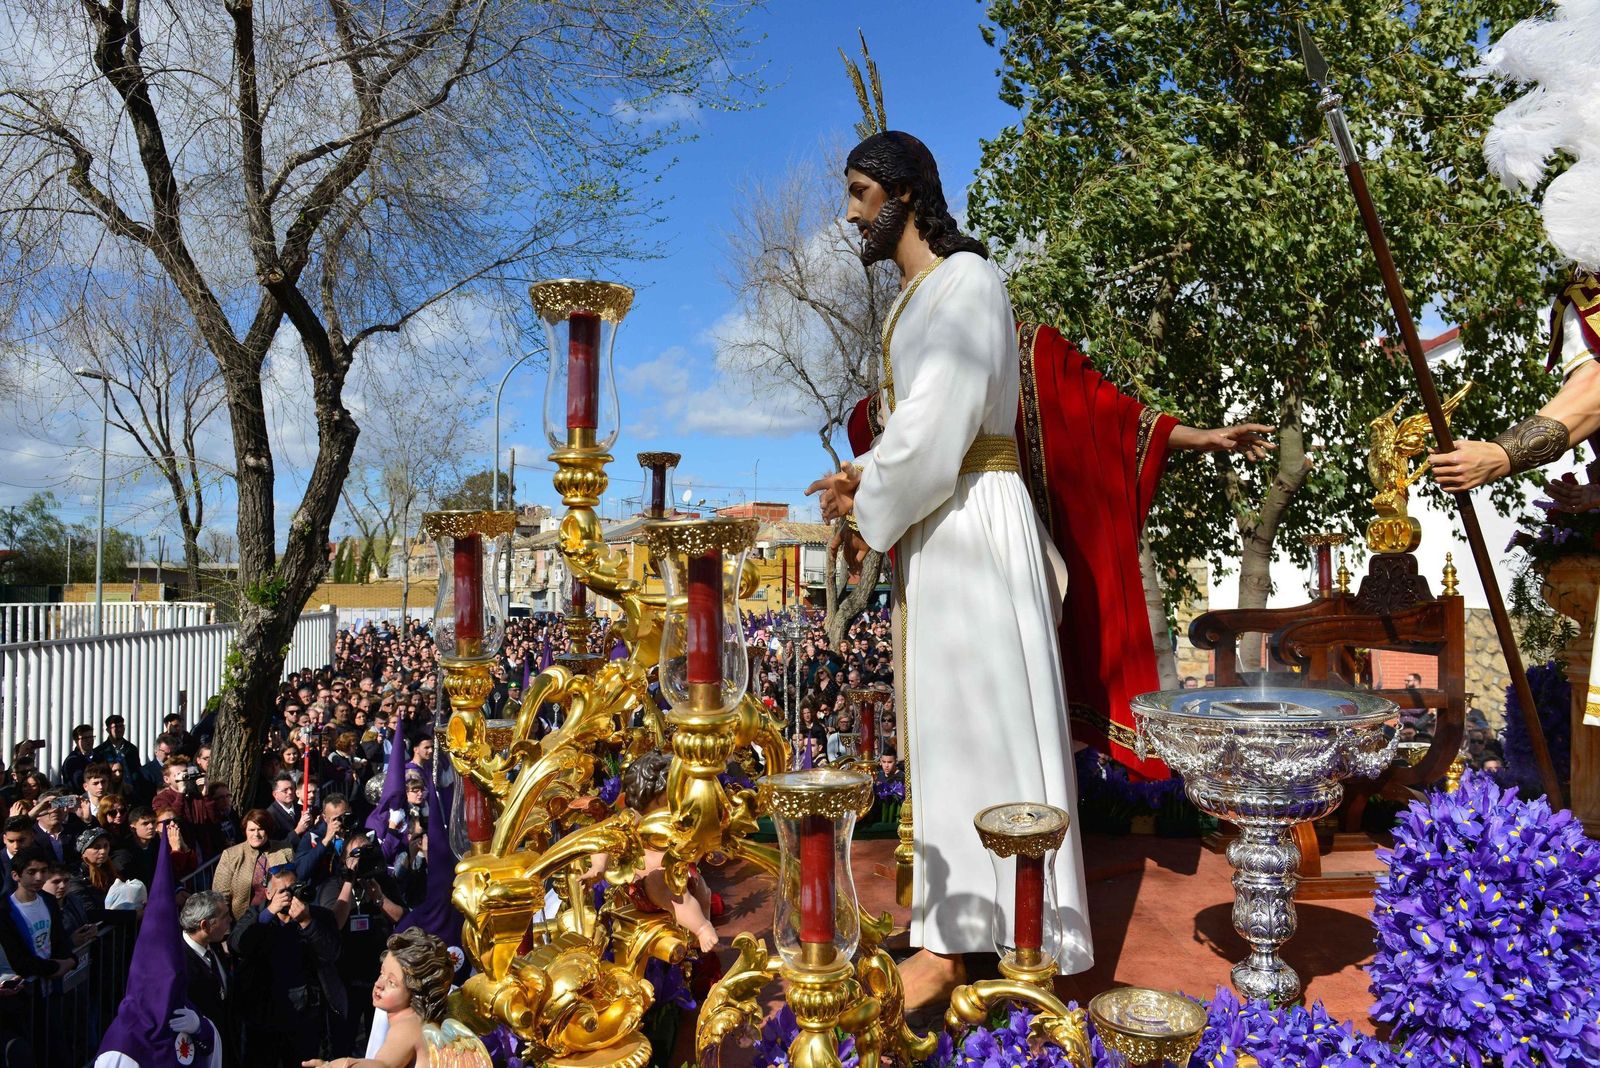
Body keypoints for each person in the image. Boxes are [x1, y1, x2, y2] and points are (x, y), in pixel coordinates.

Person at [807, 130, 1095, 1006]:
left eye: (860, 192)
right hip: (942, 522)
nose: (851, 211)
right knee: (947, 725)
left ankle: (988, 935)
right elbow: (913, 428)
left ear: (903, 194)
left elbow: (942, 419)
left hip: (973, 523)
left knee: (978, 722)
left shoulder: (969, 280)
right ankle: (959, 928)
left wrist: (873, 493)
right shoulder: (920, 297)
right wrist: (862, 484)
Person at [231, 867, 343, 1067]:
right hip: (264, 1013)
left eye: (293, 889)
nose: (289, 896)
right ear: (268, 893)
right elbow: (238, 945)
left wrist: (307, 923)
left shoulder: (319, 916)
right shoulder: (256, 915)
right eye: (282, 891)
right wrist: (268, 914)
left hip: (306, 1012)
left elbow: (331, 953)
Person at [300, 928, 453, 1068]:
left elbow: (381, 1065)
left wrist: (334, 1066)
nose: (379, 984)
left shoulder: (406, 1027)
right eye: (381, 973)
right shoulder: (418, 1021)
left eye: (392, 982)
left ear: (417, 990)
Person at [0, 847, 79, 981]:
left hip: (52, 984)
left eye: (43, 871)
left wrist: (70, 959)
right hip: (25, 986)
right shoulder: (4, 910)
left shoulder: (49, 900)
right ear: (15, 875)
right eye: (31, 872)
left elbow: (59, 937)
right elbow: (17, 958)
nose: (39, 877)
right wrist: (56, 967)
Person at [178, 891, 236, 1061]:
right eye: (225, 916)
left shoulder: (214, 945)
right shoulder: (178, 962)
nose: (230, 920)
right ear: (205, 925)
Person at [214, 810, 293, 920]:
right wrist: (226, 929)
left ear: (268, 830)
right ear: (245, 831)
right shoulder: (231, 855)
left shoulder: (285, 850)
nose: (256, 834)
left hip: (281, 918)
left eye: (260, 829)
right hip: (244, 921)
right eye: (251, 830)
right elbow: (220, 896)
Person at [59, 725, 96, 792]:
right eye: (85, 738)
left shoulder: (99, 756)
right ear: (76, 741)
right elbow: (77, 784)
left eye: (91, 737)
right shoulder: (72, 761)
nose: (89, 740)